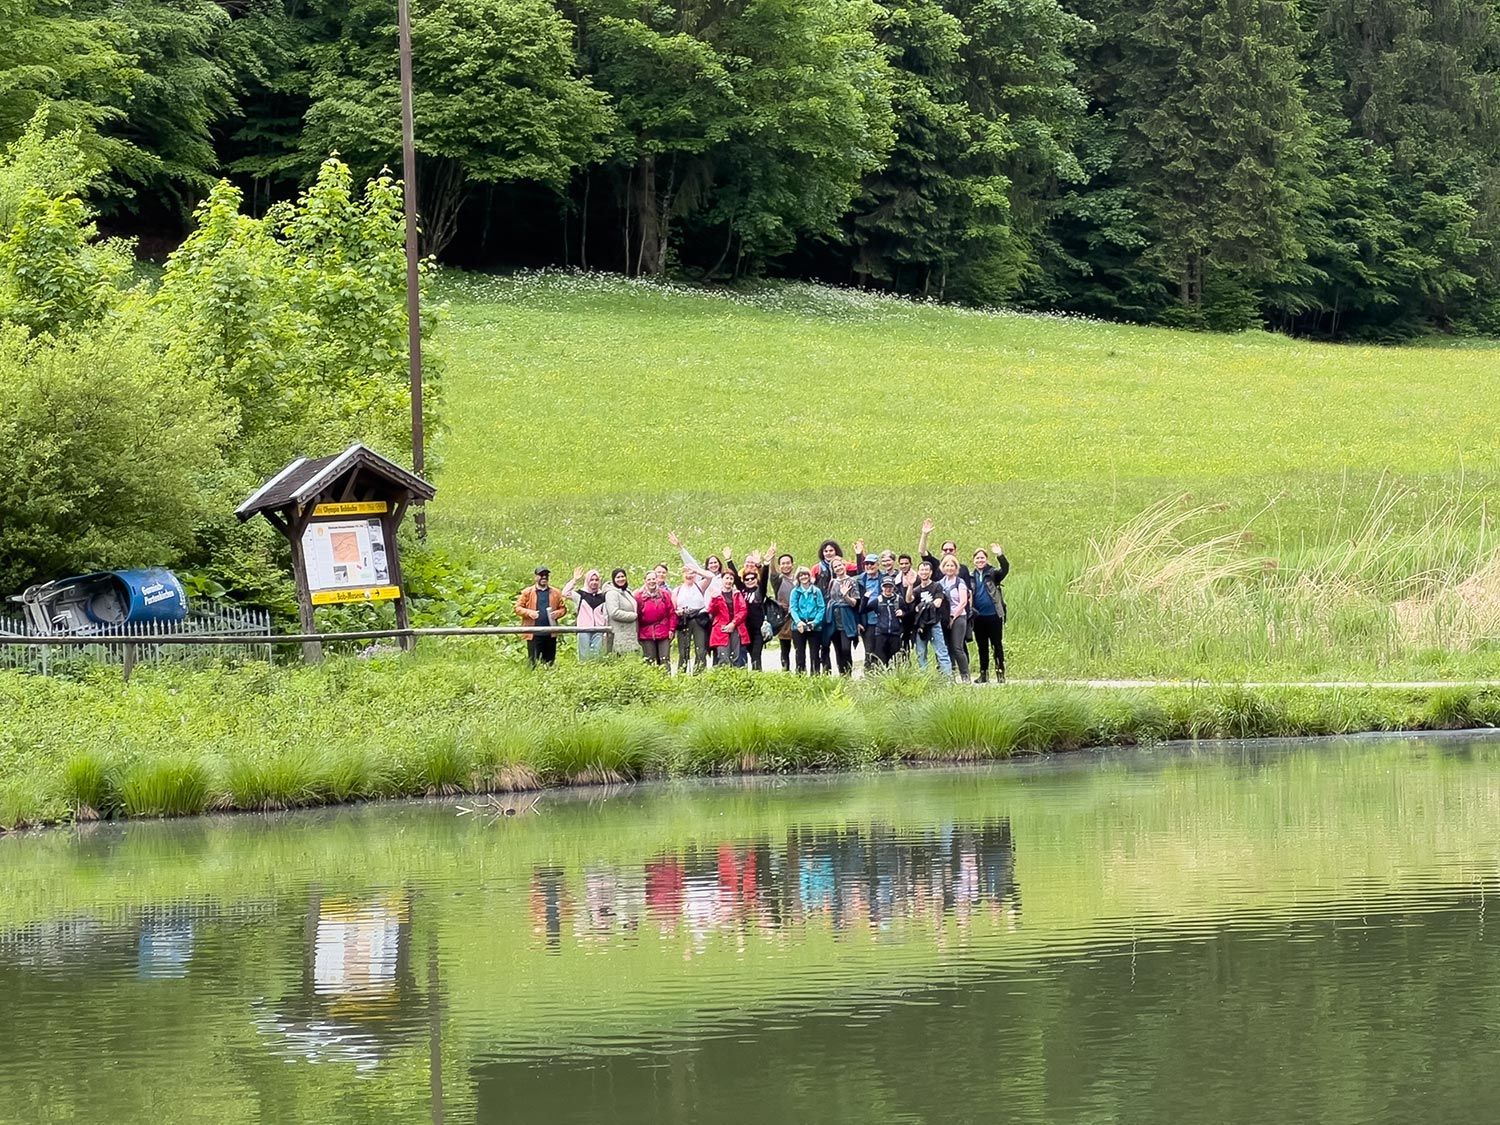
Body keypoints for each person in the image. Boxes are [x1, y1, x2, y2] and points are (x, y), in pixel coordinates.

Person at [969, 544, 1010, 683]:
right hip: (978, 617)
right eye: (977, 558)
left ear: (986, 559)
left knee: (996, 645)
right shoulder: (971, 577)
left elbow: (1005, 569)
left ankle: (1000, 673)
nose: (980, 560)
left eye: (982, 558)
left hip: (994, 615)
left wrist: (1000, 555)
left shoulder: (993, 574)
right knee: (982, 646)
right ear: (973, 560)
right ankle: (983, 674)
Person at [515, 566, 569, 667]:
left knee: (549, 662)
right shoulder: (527, 592)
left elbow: (563, 609)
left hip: (550, 633)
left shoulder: (556, 593)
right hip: (533, 633)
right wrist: (529, 613)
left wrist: (557, 613)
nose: (544, 577)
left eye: (546, 575)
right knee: (533, 662)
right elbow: (518, 608)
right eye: (541, 575)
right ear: (536, 577)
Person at [905, 560, 951, 675]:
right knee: (921, 653)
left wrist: (921, 606)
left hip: (934, 622)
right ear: (918, 572)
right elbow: (909, 600)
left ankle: (947, 678)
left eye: (926, 570)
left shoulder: (937, 586)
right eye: (922, 570)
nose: (924, 572)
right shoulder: (917, 589)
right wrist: (910, 585)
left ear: (931, 572)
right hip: (921, 625)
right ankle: (924, 677)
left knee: (941, 651)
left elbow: (937, 603)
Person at [561, 567, 609, 661]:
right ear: (587, 581)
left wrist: (605, 629)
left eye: (596, 580)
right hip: (584, 629)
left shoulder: (603, 596)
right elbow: (565, 593)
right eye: (591, 580)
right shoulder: (581, 595)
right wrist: (574, 580)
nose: (594, 582)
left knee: (597, 656)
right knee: (584, 656)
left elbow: (605, 614)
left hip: (599, 629)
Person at [824, 558, 861, 675]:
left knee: (846, 649)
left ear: (844, 566)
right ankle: (842, 674)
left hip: (847, 618)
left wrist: (846, 596)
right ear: (833, 570)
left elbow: (854, 603)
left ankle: (848, 673)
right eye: (835, 567)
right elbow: (830, 598)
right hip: (834, 619)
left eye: (840, 565)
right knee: (838, 649)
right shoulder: (832, 582)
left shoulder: (852, 581)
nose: (838, 568)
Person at [672, 564, 711, 674]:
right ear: (682, 575)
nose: (689, 576)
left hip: (699, 619)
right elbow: (673, 608)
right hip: (684, 619)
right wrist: (678, 612)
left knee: (701, 649)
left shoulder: (700, 586)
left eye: (692, 574)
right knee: (683, 650)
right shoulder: (677, 590)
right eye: (687, 573)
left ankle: (699, 673)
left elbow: (710, 576)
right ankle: (681, 673)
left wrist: (696, 570)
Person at [939, 554, 972, 682]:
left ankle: (965, 676)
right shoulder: (940, 583)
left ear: (956, 568)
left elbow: (963, 602)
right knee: (947, 648)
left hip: (958, 617)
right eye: (947, 565)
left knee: (957, 647)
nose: (949, 568)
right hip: (945, 618)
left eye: (952, 565)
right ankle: (949, 676)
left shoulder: (960, 582)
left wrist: (953, 616)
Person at [788, 567, 825, 675]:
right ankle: (800, 675)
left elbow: (821, 607)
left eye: (805, 574)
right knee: (799, 653)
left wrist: (815, 622)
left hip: (814, 624)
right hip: (799, 625)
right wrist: (798, 622)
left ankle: (815, 675)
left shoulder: (816, 591)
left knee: (815, 653)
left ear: (809, 576)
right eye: (801, 575)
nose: (803, 577)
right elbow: (793, 608)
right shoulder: (795, 592)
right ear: (798, 578)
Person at [708, 573, 749, 666]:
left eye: (731, 578)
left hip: (736, 627)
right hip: (721, 628)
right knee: (723, 656)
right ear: (722, 580)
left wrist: (733, 623)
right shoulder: (717, 595)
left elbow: (743, 610)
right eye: (727, 578)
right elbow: (711, 611)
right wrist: (714, 599)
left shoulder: (737, 594)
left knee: (736, 656)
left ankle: (736, 674)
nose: (729, 581)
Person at [635, 571, 676, 665]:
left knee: (664, 659)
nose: (651, 581)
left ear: (657, 580)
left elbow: (671, 613)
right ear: (645, 581)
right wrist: (637, 633)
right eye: (649, 579)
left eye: (653, 579)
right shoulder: (639, 597)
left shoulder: (665, 594)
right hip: (646, 633)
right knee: (650, 660)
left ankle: (665, 674)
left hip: (663, 631)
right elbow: (637, 616)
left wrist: (672, 629)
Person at [866, 576, 905, 668]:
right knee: (882, 660)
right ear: (882, 587)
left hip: (895, 633)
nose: (888, 589)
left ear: (894, 587)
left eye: (890, 586)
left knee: (895, 660)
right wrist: (865, 598)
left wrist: (903, 613)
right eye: (885, 586)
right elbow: (863, 610)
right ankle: (883, 675)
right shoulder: (878, 600)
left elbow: (907, 613)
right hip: (881, 633)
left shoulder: (899, 599)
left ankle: (896, 675)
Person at [765, 551, 796, 670]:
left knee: (799, 646)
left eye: (788, 563)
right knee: (785, 647)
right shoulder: (778, 580)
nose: (786, 565)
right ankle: (785, 669)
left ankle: (800, 670)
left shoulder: (798, 578)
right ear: (780, 566)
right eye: (783, 563)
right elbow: (773, 574)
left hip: (798, 616)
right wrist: (772, 559)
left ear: (792, 564)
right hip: (784, 618)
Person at [740, 559, 769, 670]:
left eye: (752, 578)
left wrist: (765, 565)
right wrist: (729, 561)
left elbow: (764, 579)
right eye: (747, 579)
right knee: (748, 655)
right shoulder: (743, 592)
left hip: (758, 630)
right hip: (746, 629)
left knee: (756, 656)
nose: (750, 581)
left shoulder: (759, 591)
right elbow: (737, 580)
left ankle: (757, 675)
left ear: (756, 579)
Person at [604, 567, 639, 656]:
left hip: (629, 631)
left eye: (622, 576)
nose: (621, 579)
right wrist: (633, 616)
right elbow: (614, 613)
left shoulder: (626, 591)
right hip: (619, 632)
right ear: (613, 579)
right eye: (618, 577)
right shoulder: (611, 593)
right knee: (620, 656)